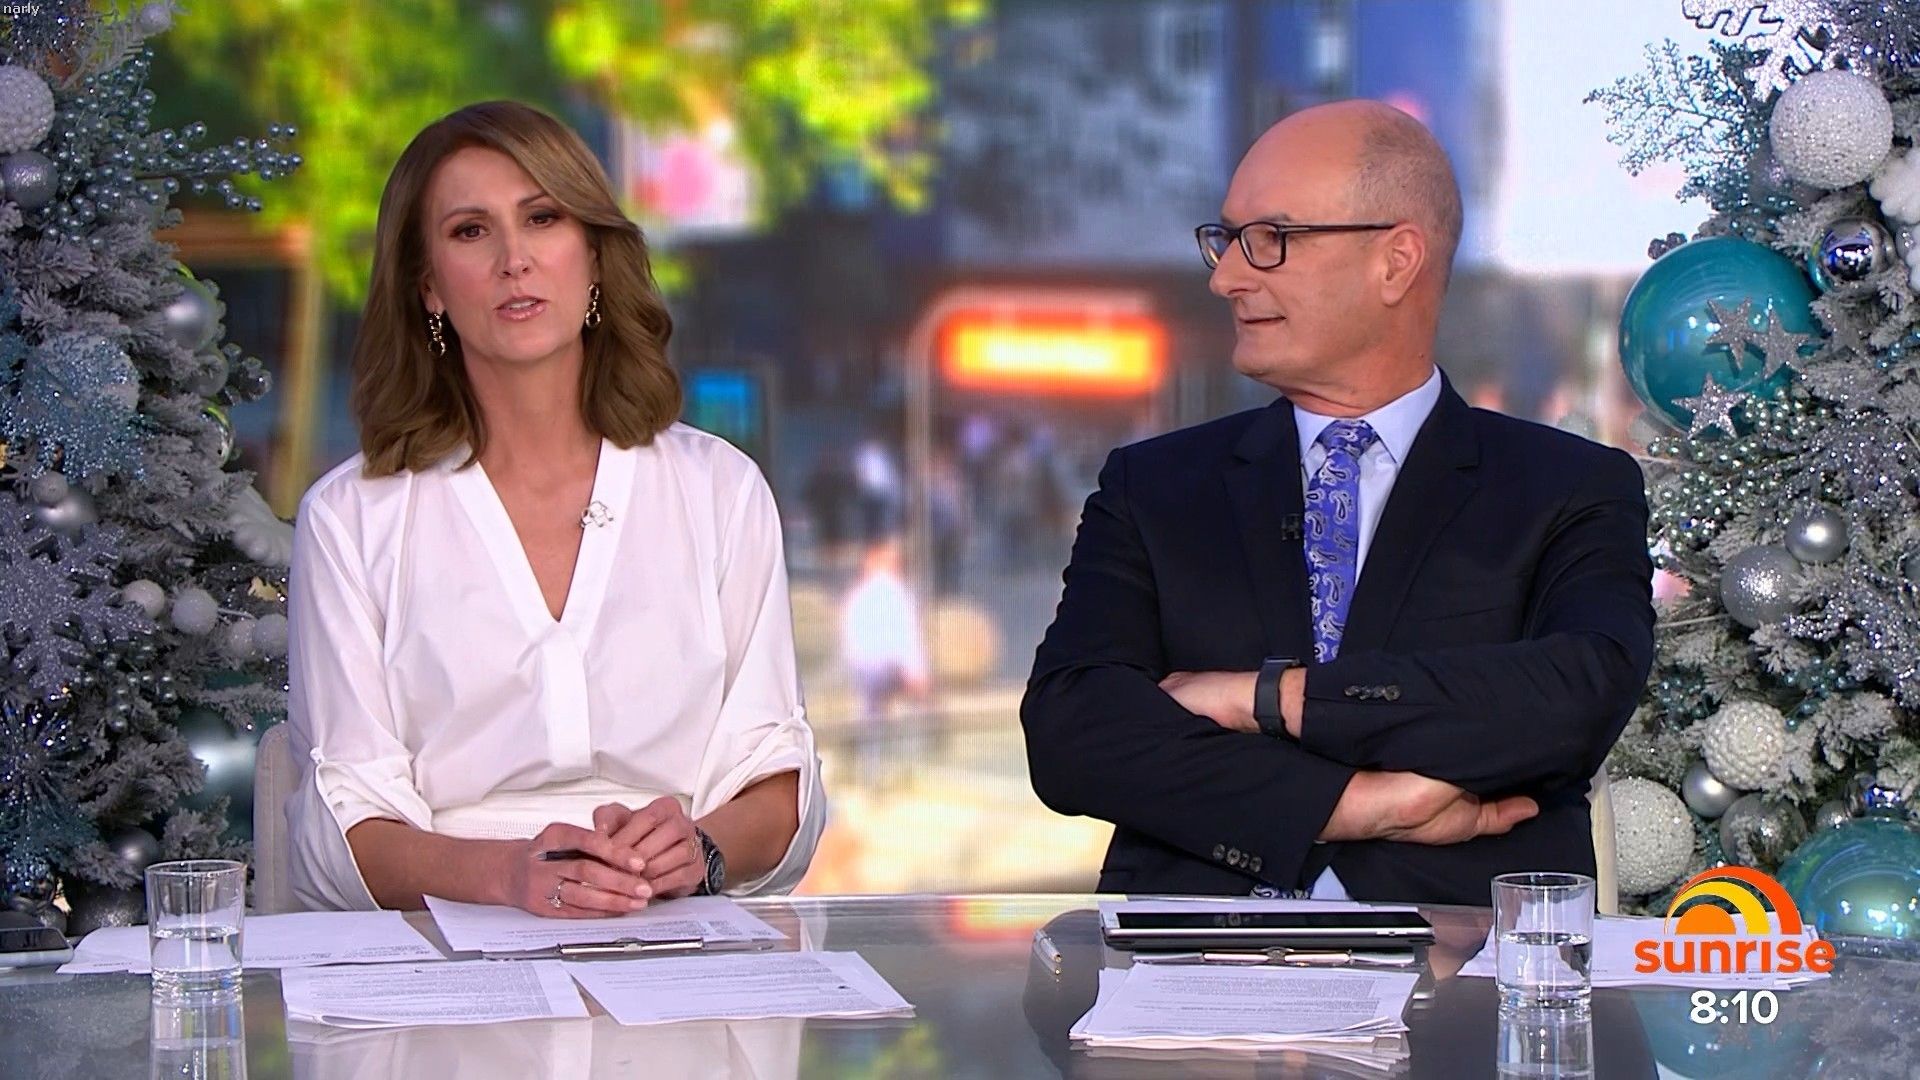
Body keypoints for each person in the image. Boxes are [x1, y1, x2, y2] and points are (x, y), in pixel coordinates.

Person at [1020, 100, 1655, 904]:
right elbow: (1074, 731)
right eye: (1226, 239)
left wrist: (1265, 698)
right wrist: (1350, 806)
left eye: (1271, 239)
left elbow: (1571, 696)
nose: (1226, 277)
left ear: (1396, 261)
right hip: (1194, 967)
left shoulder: (1568, 486)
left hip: (1466, 964)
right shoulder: (1153, 487)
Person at [285, 101, 826, 915]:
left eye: (542, 218)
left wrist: (700, 850)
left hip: (674, 934)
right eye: (471, 231)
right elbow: (343, 825)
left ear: (595, 255)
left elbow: (778, 783)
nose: (515, 260)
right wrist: (508, 876)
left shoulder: (720, 489)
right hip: (448, 940)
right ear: (428, 286)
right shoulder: (351, 519)